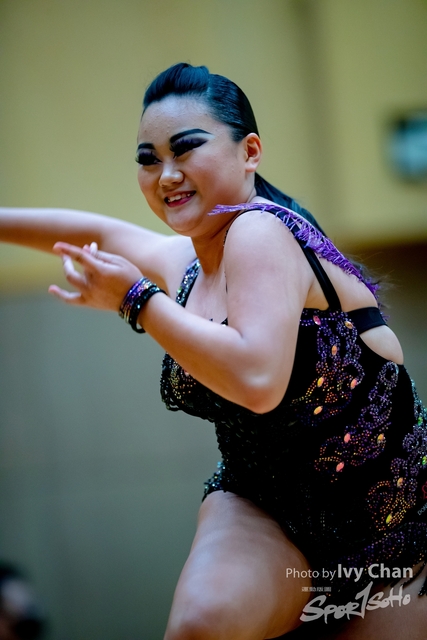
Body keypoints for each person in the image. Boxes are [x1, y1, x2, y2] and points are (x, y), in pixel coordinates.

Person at [1, 62, 427, 639]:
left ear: (250, 152)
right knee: (203, 624)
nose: (166, 174)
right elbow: (95, 231)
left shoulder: (261, 230)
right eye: (148, 159)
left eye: (185, 149)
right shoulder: (187, 264)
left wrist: (136, 299)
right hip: (262, 511)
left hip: (395, 541)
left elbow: (257, 380)